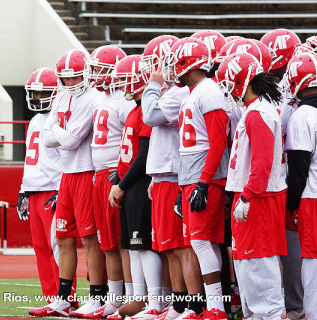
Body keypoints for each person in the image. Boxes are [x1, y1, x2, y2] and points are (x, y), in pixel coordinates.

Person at [32, 49, 106, 317]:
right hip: (67, 173)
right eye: (65, 78)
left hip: (87, 172)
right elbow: (47, 137)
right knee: (63, 237)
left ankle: (97, 296)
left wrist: (58, 133)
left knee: (89, 240)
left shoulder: (93, 98)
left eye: (75, 78)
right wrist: (59, 134)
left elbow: (71, 141)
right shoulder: (62, 96)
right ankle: (64, 298)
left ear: (85, 74)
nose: (70, 83)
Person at [217, 52, 287, 318]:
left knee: (258, 265)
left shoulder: (259, 113)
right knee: (248, 265)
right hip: (255, 195)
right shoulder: (256, 110)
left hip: (258, 198)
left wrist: (248, 196)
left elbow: (262, 161)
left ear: (240, 80)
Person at [164, 37, 229, 319]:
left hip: (205, 177)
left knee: (202, 242)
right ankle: (213, 305)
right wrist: (186, 185)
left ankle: (216, 306)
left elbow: (217, 143)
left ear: (188, 63)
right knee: (201, 242)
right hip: (193, 176)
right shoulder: (194, 92)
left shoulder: (208, 91)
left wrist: (203, 181)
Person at [141, 35, 202, 320]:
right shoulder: (174, 93)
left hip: (177, 174)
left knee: (180, 246)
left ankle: (192, 304)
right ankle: (179, 304)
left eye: (159, 63)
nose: (155, 70)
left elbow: (151, 116)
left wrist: (153, 85)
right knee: (168, 248)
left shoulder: (178, 92)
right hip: (165, 175)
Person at [108, 54, 163, 318]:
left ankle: (154, 301)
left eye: (124, 79)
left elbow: (144, 155)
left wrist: (124, 183)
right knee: (134, 245)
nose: (121, 85)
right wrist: (119, 181)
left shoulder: (145, 110)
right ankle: (140, 298)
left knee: (144, 244)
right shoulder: (134, 110)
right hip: (130, 184)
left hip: (140, 184)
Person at [85, 45, 135, 319]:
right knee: (107, 243)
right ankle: (115, 299)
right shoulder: (101, 99)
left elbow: (132, 142)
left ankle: (128, 295)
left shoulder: (124, 101)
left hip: (115, 175)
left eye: (99, 69)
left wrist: (122, 175)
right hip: (99, 174)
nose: (94, 74)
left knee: (121, 242)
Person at [261, 29, 304, 319]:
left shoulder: (291, 97)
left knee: (292, 242)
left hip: (292, 174)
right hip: (285, 174)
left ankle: (296, 305)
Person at [17, 67, 63, 309]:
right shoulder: (35, 120)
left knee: (57, 246)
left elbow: (67, 156)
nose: (36, 99)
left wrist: (61, 187)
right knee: (41, 248)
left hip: (52, 188)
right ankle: (51, 298)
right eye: (34, 94)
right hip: (34, 188)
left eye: (41, 93)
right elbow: (29, 159)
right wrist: (23, 190)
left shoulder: (60, 118)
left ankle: (66, 296)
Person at [284, 51, 317, 319]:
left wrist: (290, 203)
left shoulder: (302, 114)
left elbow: (298, 169)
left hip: (312, 197)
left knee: (312, 260)